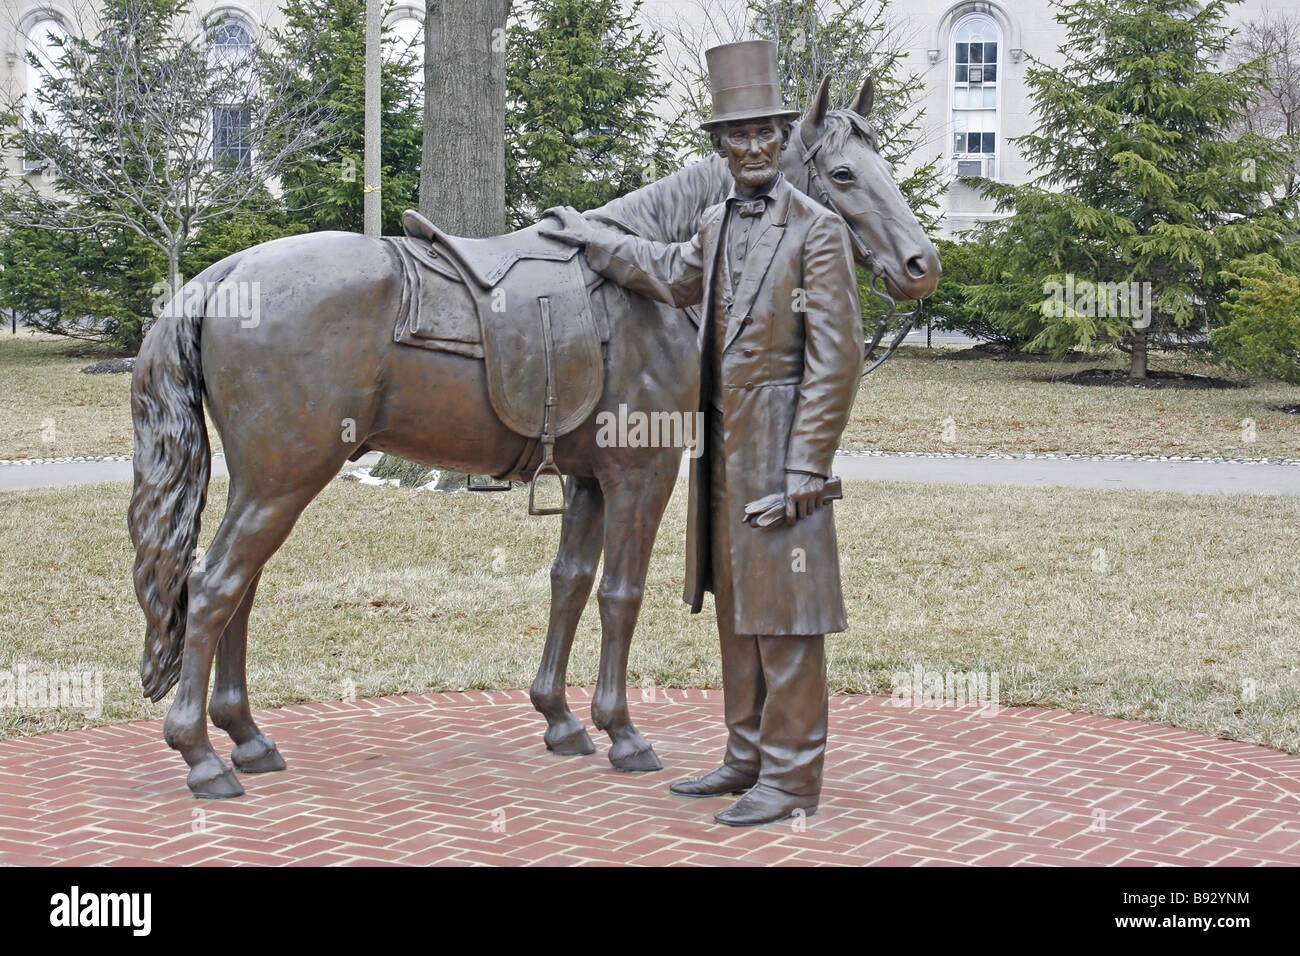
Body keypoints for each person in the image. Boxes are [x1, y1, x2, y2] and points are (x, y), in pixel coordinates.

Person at [540, 39, 864, 827]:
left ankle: (790, 780)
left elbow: (838, 359)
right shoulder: (719, 220)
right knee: (736, 608)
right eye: (736, 137)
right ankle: (744, 754)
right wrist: (589, 235)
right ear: (719, 148)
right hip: (721, 457)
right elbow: (666, 271)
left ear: (785, 141)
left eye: (765, 135)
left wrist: (805, 469)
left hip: (784, 455)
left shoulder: (816, 231)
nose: (752, 148)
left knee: (787, 616)